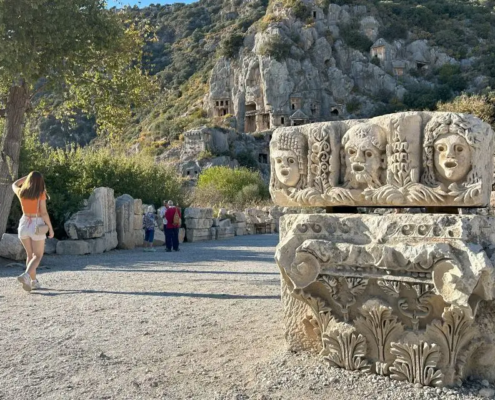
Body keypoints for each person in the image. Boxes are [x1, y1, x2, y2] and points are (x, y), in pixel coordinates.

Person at [12, 171, 54, 292]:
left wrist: (27, 177)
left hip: (24, 223)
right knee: (38, 255)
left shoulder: (21, 192)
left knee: (30, 255)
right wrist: (50, 228)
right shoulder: (41, 194)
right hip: (36, 224)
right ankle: (26, 276)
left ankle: (33, 282)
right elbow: (44, 213)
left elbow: (14, 184)